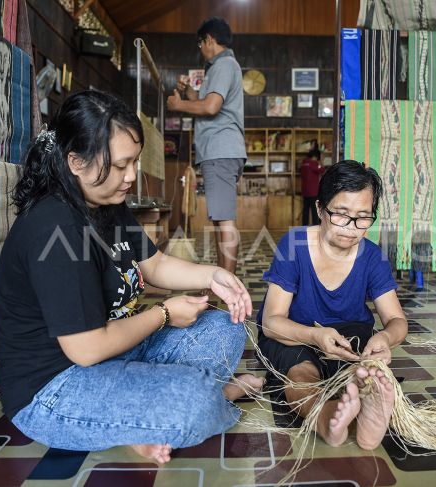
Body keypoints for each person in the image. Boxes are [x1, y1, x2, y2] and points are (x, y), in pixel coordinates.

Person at [0, 90, 263, 464]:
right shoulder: (55, 227)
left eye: (134, 162)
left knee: (226, 328)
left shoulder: (104, 203)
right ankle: (212, 398)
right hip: (57, 387)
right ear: (76, 161)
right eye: (121, 166)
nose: (132, 176)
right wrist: (164, 314)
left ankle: (136, 416)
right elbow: (86, 350)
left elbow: (154, 265)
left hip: (115, 353)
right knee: (193, 401)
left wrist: (214, 273)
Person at [257, 160, 408, 449]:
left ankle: (368, 411)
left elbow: (397, 321)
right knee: (301, 373)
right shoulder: (295, 246)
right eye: (340, 215)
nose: (351, 228)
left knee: (365, 372)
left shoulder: (373, 256)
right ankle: (327, 420)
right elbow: (272, 321)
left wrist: (386, 338)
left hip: (348, 336)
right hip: (293, 333)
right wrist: (314, 335)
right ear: (319, 209)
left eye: (363, 217)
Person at [167, 17, 246, 275]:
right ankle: (223, 279)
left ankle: (229, 286)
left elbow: (211, 107)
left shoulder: (223, 65)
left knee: (224, 221)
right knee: (220, 219)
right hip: (220, 150)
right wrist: (190, 92)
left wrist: (179, 106)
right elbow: (205, 102)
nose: (200, 48)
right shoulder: (221, 67)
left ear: (209, 40)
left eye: (200, 43)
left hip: (221, 150)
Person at [300, 145, 325, 225]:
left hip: (305, 191)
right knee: (315, 210)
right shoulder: (313, 163)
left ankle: (304, 226)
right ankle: (316, 226)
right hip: (313, 191)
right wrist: (321, 163)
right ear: (315, 156)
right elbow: (321, 170)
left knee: (305, 210)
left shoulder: (304, 162)